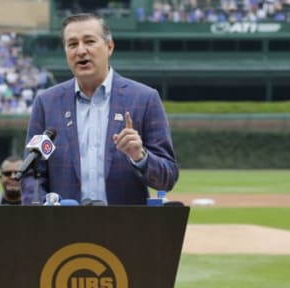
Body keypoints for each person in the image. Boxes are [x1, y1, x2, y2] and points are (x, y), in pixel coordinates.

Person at [21, 13, 178, 205]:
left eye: (89, 41)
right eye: (72, 44)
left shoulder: (145, 99)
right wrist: (40, 210)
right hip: (64, 228)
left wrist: (140, 156)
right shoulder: (46, 103)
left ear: (109, 47)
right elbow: (32, 173)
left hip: (124, 226)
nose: (80, 51)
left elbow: (168, 177)